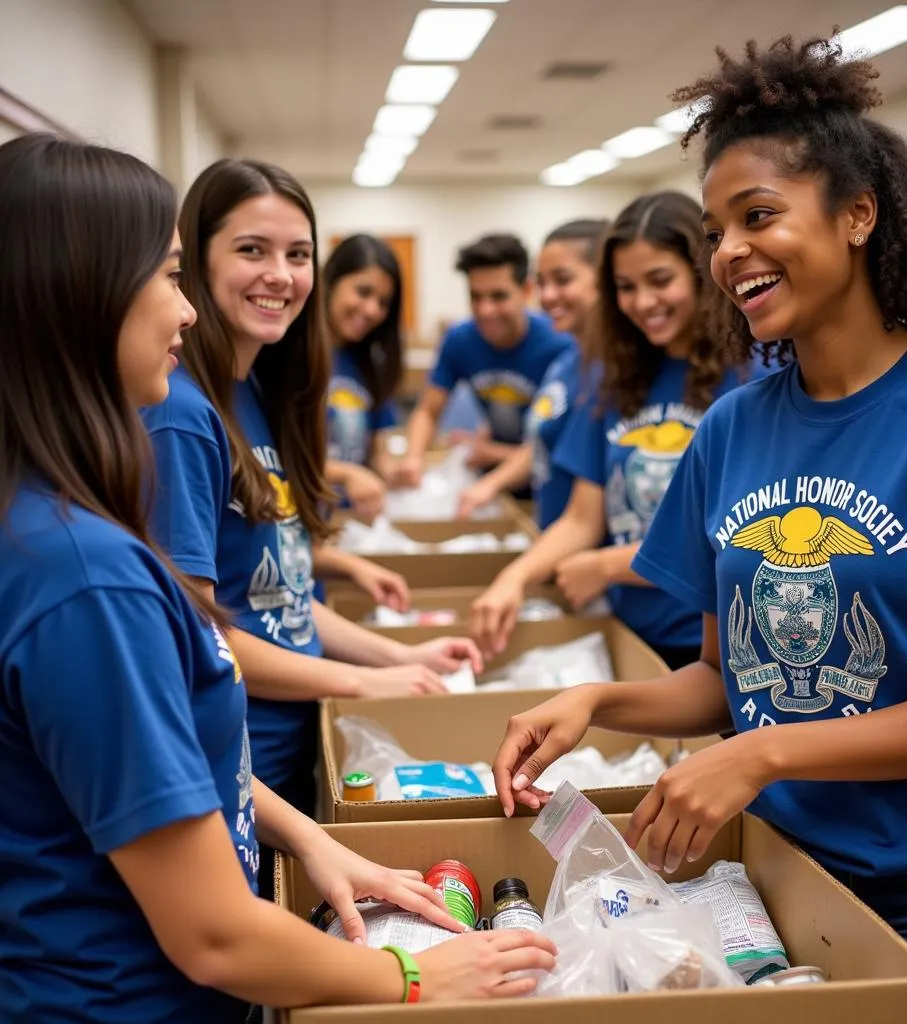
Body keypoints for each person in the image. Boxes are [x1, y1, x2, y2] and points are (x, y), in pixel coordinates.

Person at [492, 35, 907, 1024]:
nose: (730, 250)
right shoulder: (733, 426)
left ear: (859, 214)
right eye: (716, 230)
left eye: (759, 216)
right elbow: (720, 679)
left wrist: (765, 751)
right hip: (777, 872)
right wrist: (595, 699)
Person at [0, 133, 555, 1024]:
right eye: (169, 277)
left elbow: (164, 759)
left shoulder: (57, 525)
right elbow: (212, 934)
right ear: (82, 295)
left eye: (297, 254)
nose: (185, 314)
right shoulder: (87, 576)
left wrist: (310, 841)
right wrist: (413, 981)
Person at [141, 158, 482, 899]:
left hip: (296, 747)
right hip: (243, 764)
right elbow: (202, 638)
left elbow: (283, 599)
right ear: (195, 261)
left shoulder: (258, 390)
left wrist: (401, 656)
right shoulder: (182, 414)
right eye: (251, 250)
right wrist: (368, 679)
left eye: (298, 255)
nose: (281, 275)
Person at [472, 192, 746, 667]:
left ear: (702, 273)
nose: (643, 302)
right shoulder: (612, 377)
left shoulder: (750, 376)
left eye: (660, 280)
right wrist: (511, 580)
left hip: (716, 644)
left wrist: (605, 565)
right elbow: (583, 518)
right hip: (630, 633)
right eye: (625, 286)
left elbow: (732, 536)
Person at [458, 219, 608, 528]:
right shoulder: (566, 365)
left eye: (563, 280)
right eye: (542, 283)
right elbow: (541, 448)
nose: (548, 296)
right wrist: (492, 484)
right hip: (553, 534)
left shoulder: (613, 372)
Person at [393, 232, 575, 489]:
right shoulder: (460, 340)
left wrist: (492, 453)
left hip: (546, 478)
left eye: (498, 297)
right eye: (476, 297)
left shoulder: (559, 345)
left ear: (526, 291)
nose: (485, 310)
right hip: (495, 474)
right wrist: (413, 458)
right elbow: (428, 410)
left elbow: (560, 447)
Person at [322, 233, 403, 524]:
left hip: (349, 522)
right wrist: (346, 473)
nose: (372, 310)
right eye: (363, 292)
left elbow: (376, 450)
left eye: (383, 302)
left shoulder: (369, 364)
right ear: (330, 281)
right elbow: (274, 459)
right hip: (299, 525)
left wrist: (391, 471)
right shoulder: (291, 357)